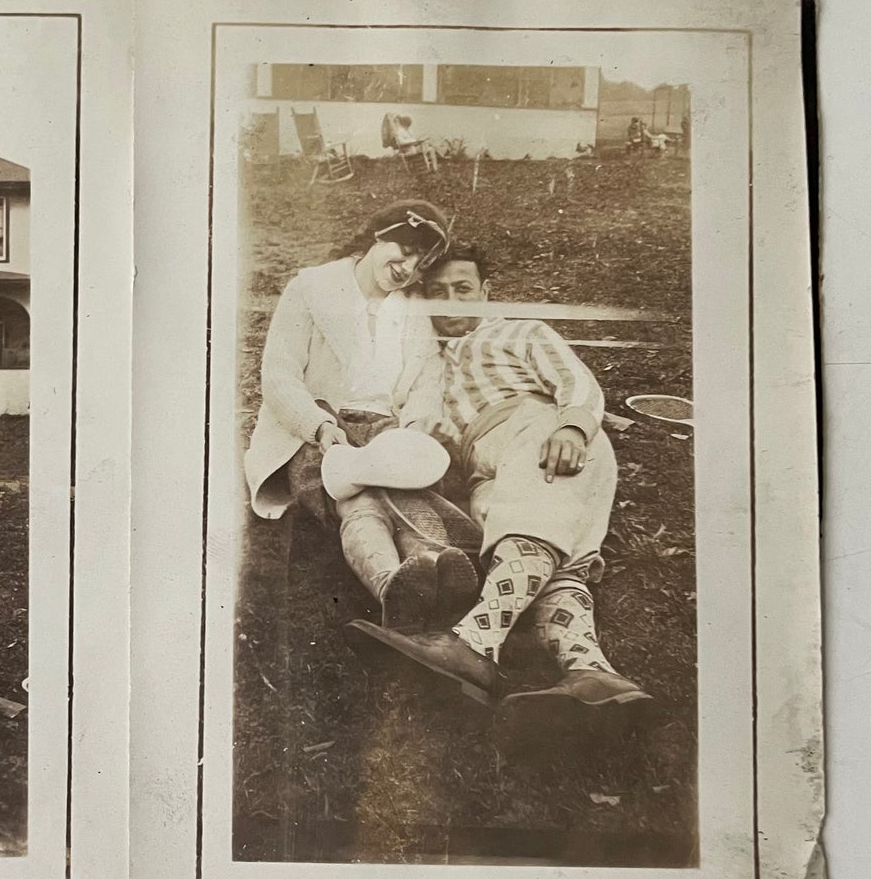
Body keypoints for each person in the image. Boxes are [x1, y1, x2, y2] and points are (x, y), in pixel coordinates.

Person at [354, 243, 652, 748]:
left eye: (463, 289)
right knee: (545, 554)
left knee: (533, 525)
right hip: (481, 470)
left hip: (537, 426)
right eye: (438, 292)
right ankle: (593, 675)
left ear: (486, 294)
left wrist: (573, 429)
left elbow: (575, 382)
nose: (451, 301)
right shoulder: (425, 363)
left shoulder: (519, 332)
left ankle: (473, 645)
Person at [243, 199, 481, 632]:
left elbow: (426, 379)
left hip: (385, 428)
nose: (407, 268)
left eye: (419, 262)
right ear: (378, 236)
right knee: (358, 493)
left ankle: (434, 570)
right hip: (319, 425)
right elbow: (279, 375)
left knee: (403, 487)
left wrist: (412, 432)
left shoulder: (410, 309)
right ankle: (394, 587)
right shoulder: (311, 288)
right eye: (403, 250)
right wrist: (320, 427)